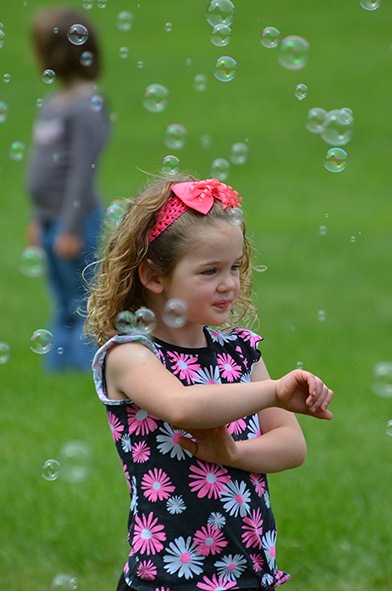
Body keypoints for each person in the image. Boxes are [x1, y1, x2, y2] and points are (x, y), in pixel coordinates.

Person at [86, 175, 334, 590]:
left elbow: (292, 446)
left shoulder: (241, 350)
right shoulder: (130, 356)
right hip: (167, 573)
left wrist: (232, 453)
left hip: (248, 570)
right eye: (209, 270)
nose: (229, 283)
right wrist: (274, 391)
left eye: (235, 266)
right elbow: (182, 406)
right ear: (153, 276)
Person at [25, 7, 110, 371]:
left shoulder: (86, 106)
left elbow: (81, 172)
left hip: (75, 223)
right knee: (61, 299)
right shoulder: (55, 103)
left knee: (82, 300)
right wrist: (37, 217)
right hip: (50, 221)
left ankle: (87, 371)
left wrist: (71, 227)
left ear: (55, 54)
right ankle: (58, 372)